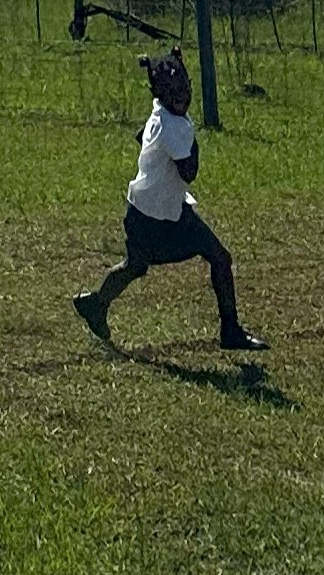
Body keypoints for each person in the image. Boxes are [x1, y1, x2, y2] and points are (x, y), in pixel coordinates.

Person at [72, 49, 267, 352]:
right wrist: (192, 142)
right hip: (160, 218)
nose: (181, 98)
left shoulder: (159, 112)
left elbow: (143, 136)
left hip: (143, 210)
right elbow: (189, 171)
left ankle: (96, 303)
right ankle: (230, 332)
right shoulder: (174, 125)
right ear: (161, 93)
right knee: (218, 257)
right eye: (172, 93)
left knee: (136, 265)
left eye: (183, 91)